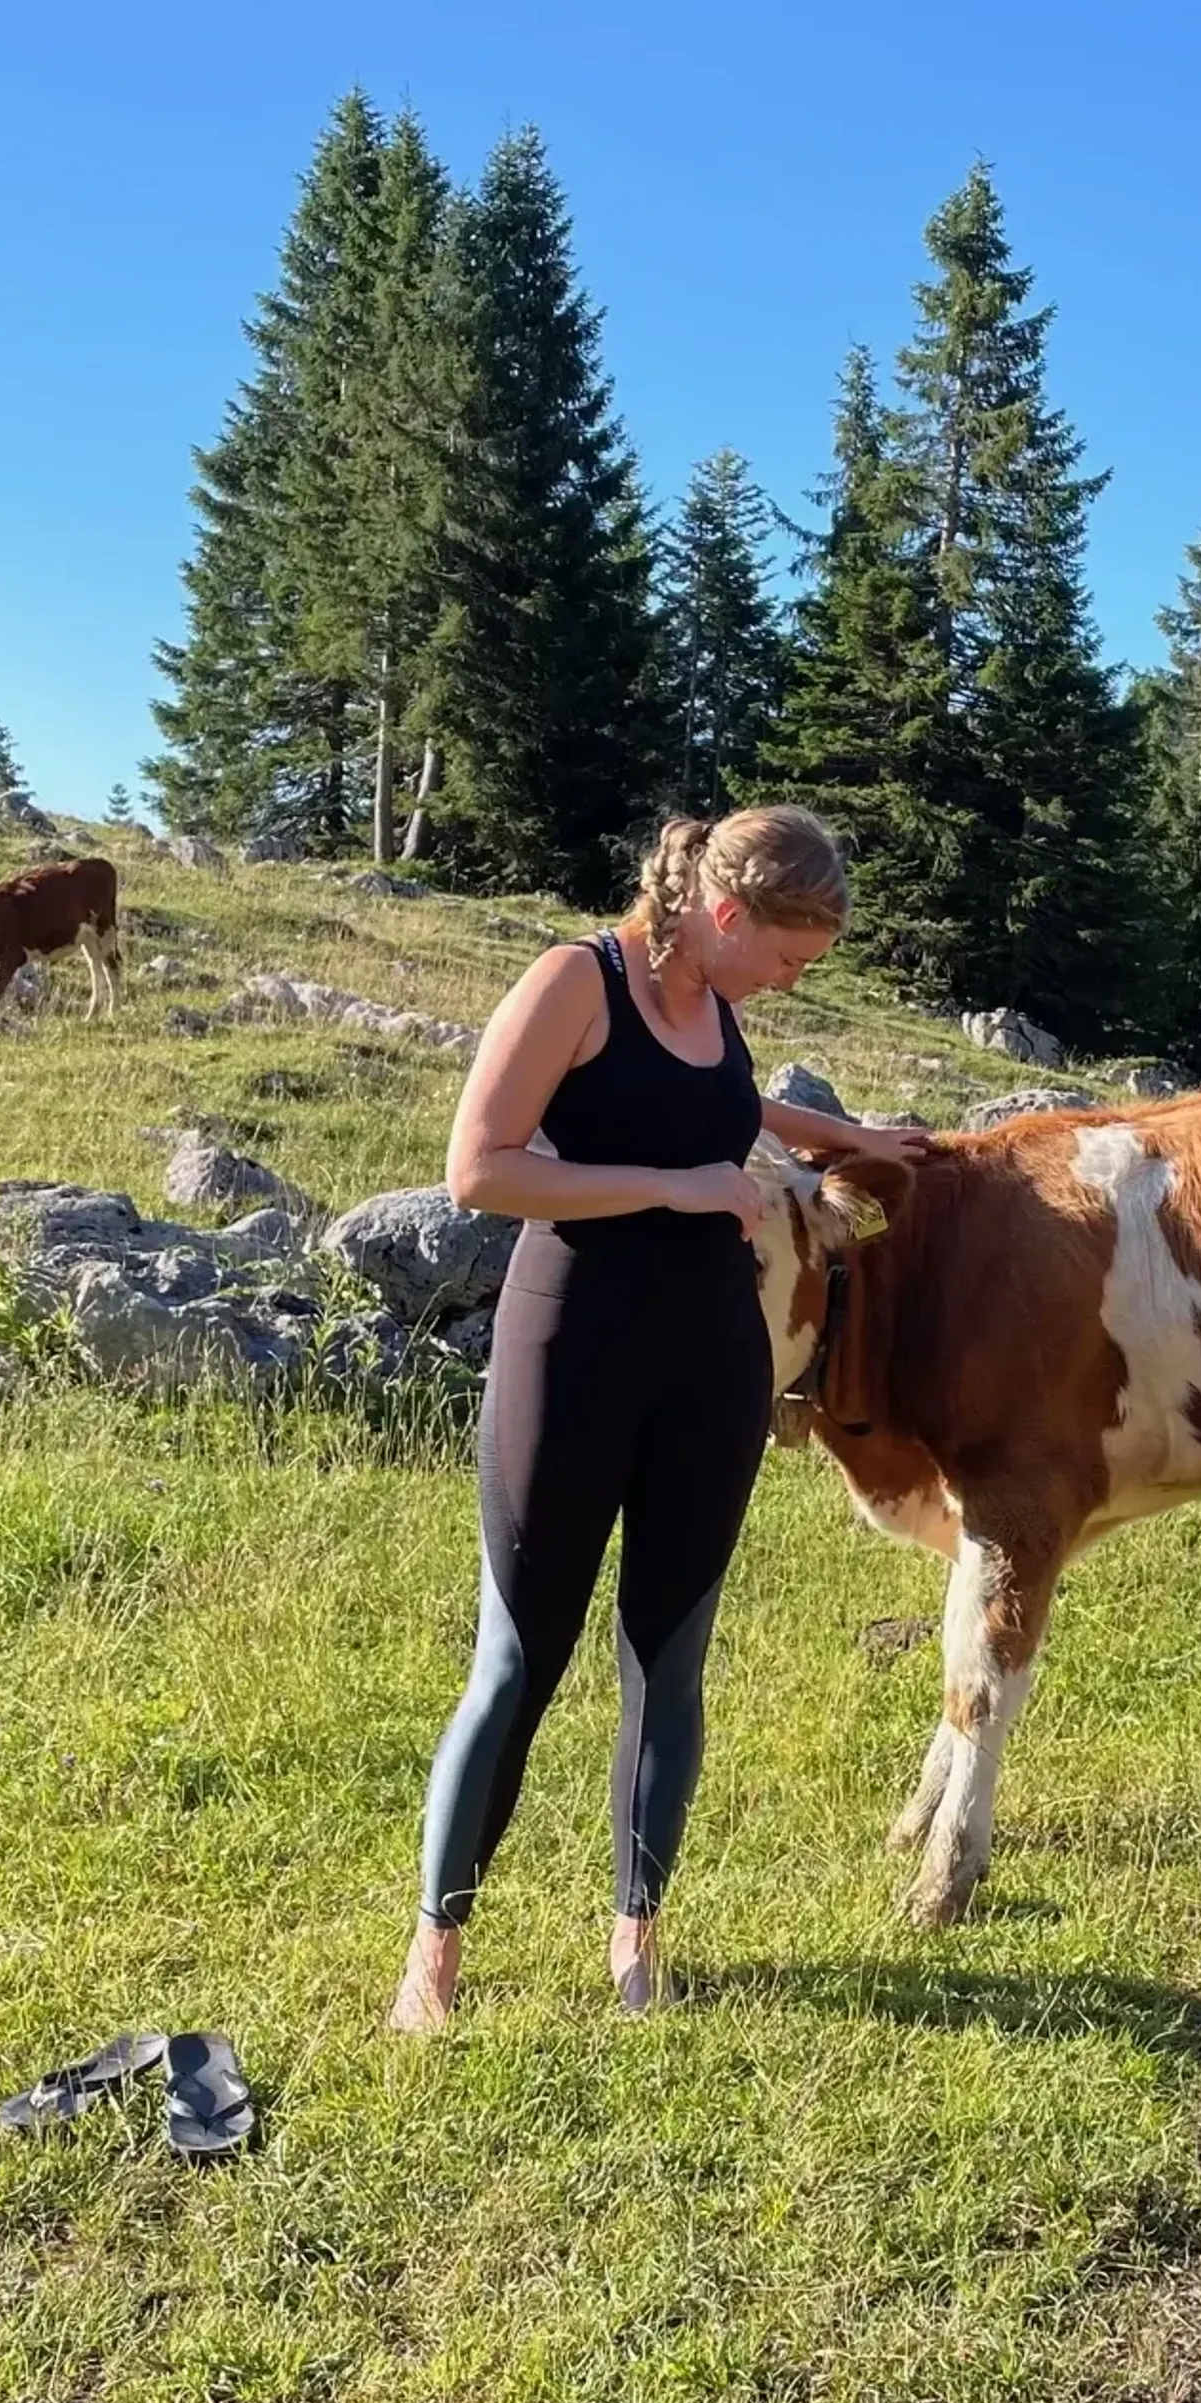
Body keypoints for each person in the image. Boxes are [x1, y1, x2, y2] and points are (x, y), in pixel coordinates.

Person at [388, 807, 921, 2030]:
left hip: (712, 1363)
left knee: (668, 1659)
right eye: (788, 959)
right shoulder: (577, 983)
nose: (791, 985)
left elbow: (727, 1108)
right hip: (569, 1347)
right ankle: (438, 1945)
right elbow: (482, 1165)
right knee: (521, 1660)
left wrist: (845, 1136)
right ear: (727, 917)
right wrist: (676, 1190)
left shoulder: (717, 1003)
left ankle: (637, 1935)